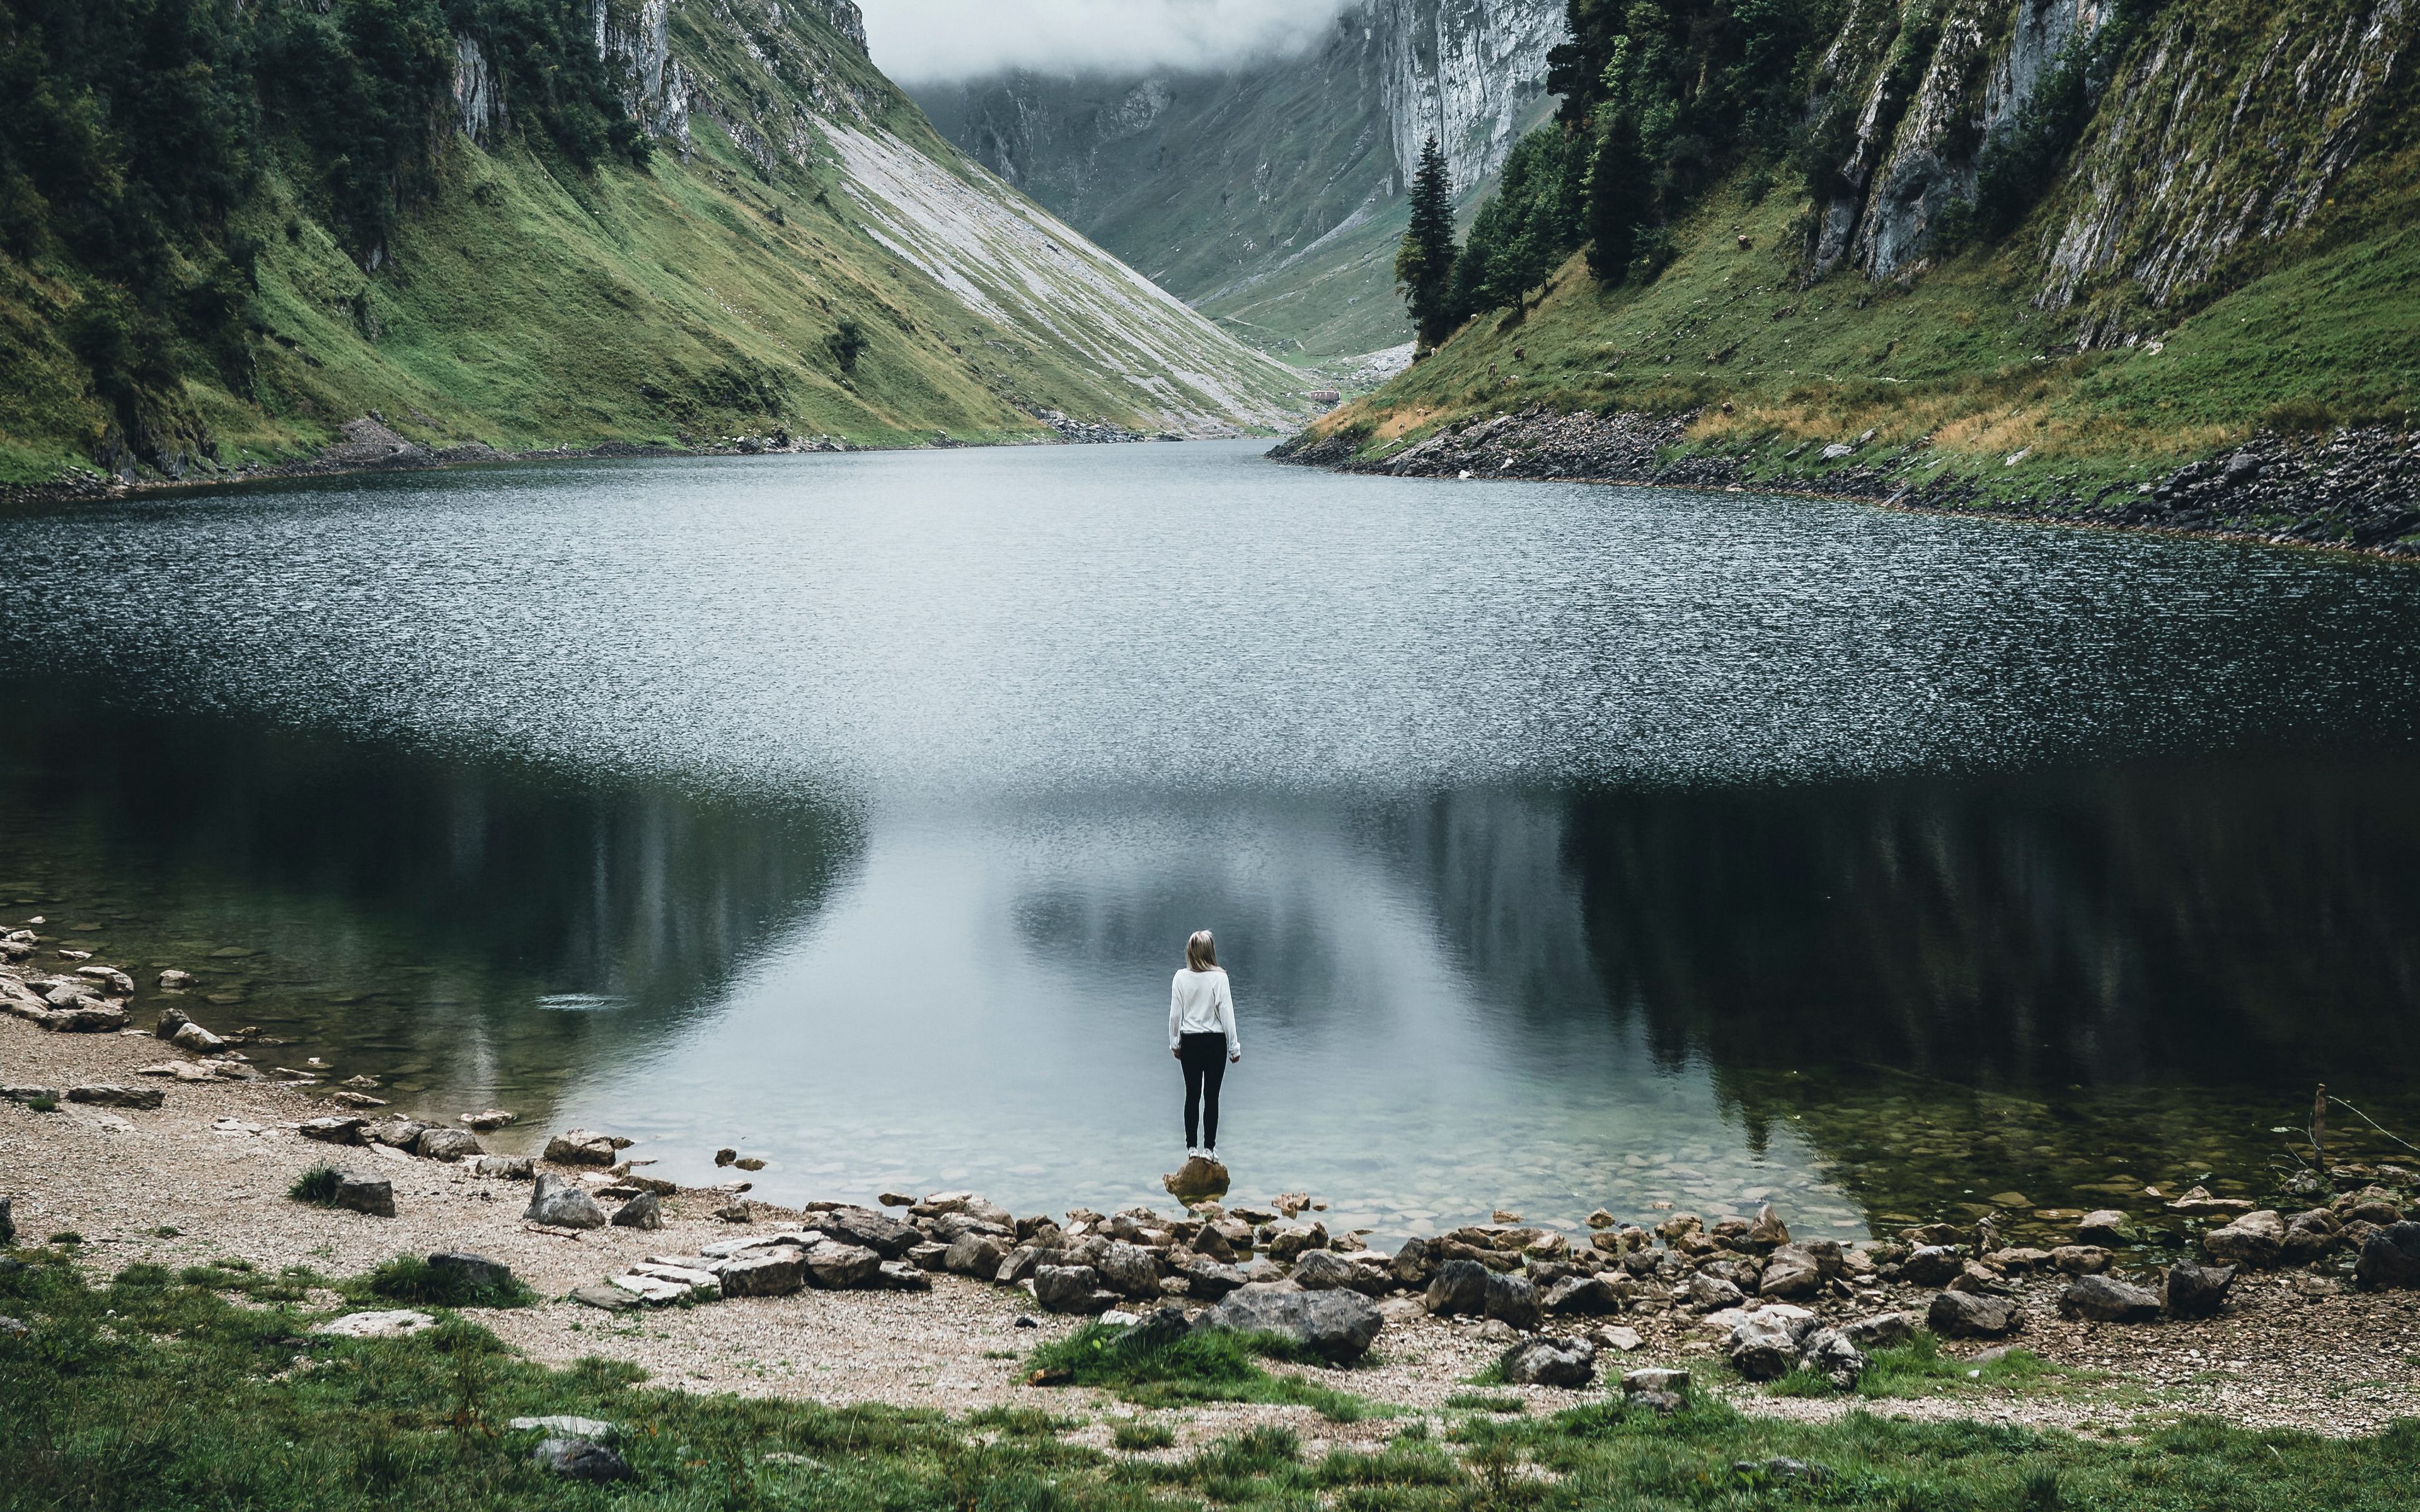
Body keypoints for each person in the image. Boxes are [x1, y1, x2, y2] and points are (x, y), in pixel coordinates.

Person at [1169, 929, 1241, 1160]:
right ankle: (1209, 1150)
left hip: (1190, 1041)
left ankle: (1192, 1149)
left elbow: (1174, 1016)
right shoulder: (1220, 978)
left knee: (1192, 1095)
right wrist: (1234, 1047)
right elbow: (1227, 1014)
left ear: (1190, 952)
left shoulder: (1180, 977)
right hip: (1215, 1042)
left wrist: (1174, 1042)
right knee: (1211, 1096)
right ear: (1211, 952)